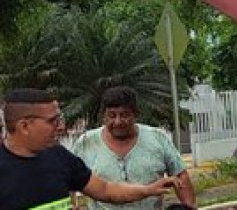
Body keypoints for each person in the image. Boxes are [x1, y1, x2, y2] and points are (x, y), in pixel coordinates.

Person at [1, 88, 177, 210]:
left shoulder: (59, 157)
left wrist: (148, 190)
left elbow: (106, 190)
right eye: (52, 121)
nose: (60, 126)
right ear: (24, 126)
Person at [71, 87, 197, 210]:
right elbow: (68, 179)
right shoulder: (86, 142)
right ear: (103, 116)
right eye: (112, 116)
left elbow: (180, 176)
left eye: (124, 115)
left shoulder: (157, 138)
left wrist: (189, 205)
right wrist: (72, 204)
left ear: (136, 114)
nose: (118, 122)